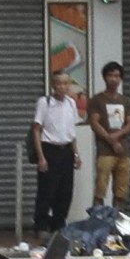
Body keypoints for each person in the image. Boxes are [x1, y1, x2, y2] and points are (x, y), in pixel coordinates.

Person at [31, 71, 81, 246]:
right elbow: (36, 130)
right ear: (53, 85)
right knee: (47, 191)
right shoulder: (45, 103)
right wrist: (41, 157)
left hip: (66, 150)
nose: (63, 87)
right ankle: (41, 226)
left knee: (65, 191)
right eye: (59, 83)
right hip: (49, 150)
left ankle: (58, 226)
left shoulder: (71, 104)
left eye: (66, 83)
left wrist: (76, 154)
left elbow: (71, 132)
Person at [87, 61, 130, 211]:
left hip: (123, 151)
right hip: (105, 151)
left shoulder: (125, 101)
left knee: (122, 189)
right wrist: (111, 140)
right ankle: (98, 220)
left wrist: (118, 136)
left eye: (117, 76)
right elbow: (94, 123)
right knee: (101, 187)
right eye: (110, 75)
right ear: (104, 77)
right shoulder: (97, 99)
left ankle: (118, 221)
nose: (114, 79)